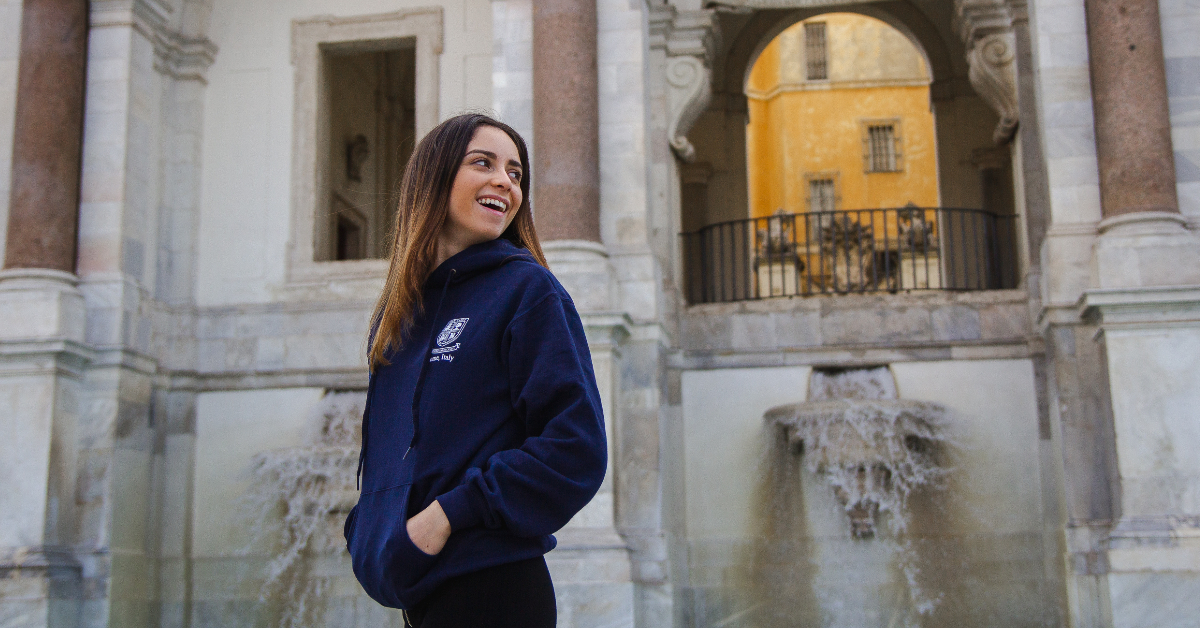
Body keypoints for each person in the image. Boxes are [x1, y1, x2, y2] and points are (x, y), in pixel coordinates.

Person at [344, 113, 607, 628]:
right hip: (419, 593)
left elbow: (576, 448)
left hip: (495, 588)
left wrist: (447, 516)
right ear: (434, 178)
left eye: (515, 173)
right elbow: (391, 453)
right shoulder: (400, 314)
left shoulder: (529, 293)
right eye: (482, 163)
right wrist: (369, 531)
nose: (504, 182)